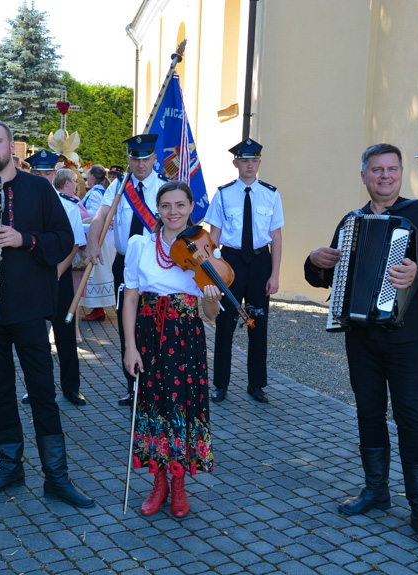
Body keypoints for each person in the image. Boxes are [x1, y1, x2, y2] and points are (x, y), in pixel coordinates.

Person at [305, 143, 418, 546]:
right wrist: (313, 261)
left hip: (406, 338)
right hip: (361, 337)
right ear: (364, 176)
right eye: (377, 170)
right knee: (369, 413)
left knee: (412, 418)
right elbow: (329, 277)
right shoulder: (351, 222)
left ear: (401, 173)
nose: (385, 176)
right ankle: (376, 490)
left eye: (392, 169)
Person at [0, 118, 93, 508]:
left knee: (43, 391)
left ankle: (56, 478)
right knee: (0, 392)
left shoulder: (39, 190)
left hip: (28, 309)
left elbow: (63, 240)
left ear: (12, 147)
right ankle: (10, 468)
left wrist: (23, 239)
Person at [122, 180, 221, 517]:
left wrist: (213, 298)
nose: (173, 212)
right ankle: (158, 482)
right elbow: (131, 298)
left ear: (191, 208)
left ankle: (178, 484)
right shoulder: (140, 246)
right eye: (166, 206)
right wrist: (130, 348)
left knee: (181, 407)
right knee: (153, 407)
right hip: (149, 337)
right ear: (158, 209)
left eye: (180, 205)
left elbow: (210, 315)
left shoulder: (204, 249)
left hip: (185, 338)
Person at [85, 134, 169, 406]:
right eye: (135, 158)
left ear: (154, 158)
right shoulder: (119, 186)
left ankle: (159, 385)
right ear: (128, 158)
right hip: (125, 264)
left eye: (145, 158)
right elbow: (100, 215)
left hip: (157, 264)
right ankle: (133, 388)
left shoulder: (165, 187)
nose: (140, 164)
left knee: (159, 325)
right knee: (128, 326)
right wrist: (92, 243)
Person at [204, 138, 284, 404]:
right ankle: (221, 384)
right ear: (235, 163)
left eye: (254, 160)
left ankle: (256, 384)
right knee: (225, 324)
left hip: (261, 263)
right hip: (231, 263)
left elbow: (276, 236)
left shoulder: (271, 194)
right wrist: (212, 272)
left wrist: (274, 275)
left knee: (258, 325)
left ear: (259, 162)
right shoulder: (223, 195)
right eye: (244, 160)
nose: (249, 165)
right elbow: (213, 236)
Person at [51, 168, 87, 404]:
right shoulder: (30, 202)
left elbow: (74, 244)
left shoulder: (70, 206)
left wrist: (56, 274)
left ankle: (70, 387)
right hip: (32, 276)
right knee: (32, 336)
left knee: (64, 333)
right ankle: (36, 386)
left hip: (58, 275)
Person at [80, 164, 115, 322]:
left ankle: (98, 308)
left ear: (92, 177)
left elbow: (96, 215)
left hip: (97, 237)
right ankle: (97, 308)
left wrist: (81, 220)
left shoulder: (95, 193)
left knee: (96, 272)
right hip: (101, 237)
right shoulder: (100, 191)